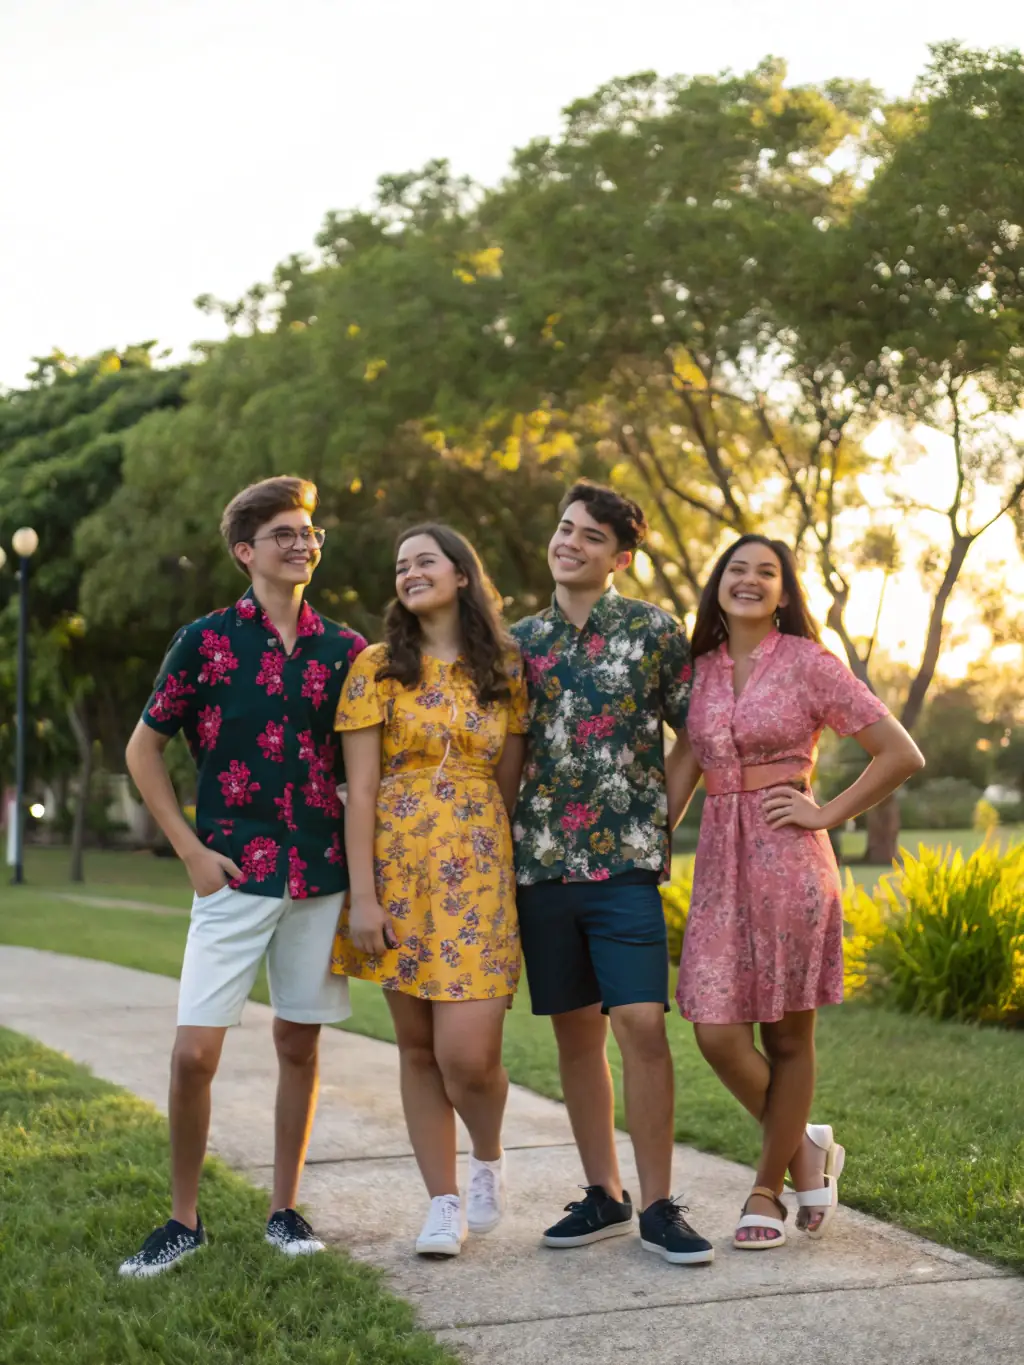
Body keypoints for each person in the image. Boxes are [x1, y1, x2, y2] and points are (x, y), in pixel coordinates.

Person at [119, 476, 367, 1278]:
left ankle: (284, 1208)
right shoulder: (206, 640)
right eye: (285, 533)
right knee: (194, 1054)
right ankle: (181, 1219)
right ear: (245, 550)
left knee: (298, 1041)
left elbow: (360, 769)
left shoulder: (347, 650)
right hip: (230, 874)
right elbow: (141, 748)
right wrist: (190, 850)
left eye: (310, 532)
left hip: (319, 875)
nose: (303, 544)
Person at [672, 534, 924, 1250]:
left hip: (790, 859)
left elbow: (900, 752)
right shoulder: (701, 672)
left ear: (784, 591)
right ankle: (808, 1148)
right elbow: (681, 775)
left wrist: (824, 811)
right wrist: (638, 846)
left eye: (766, 572)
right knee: (717, 1032)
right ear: (717, 583)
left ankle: (766, 1188)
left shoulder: (811, 662)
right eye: (736, 569)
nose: (748, 581)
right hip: (720, 867)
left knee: (787, 1034)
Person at [511, 480, 714, 1267]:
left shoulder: (654, 631)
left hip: (625, 865)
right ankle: (606, 1193)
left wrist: (657, 814)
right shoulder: (519, 641)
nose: (571, 542)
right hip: (542, 866)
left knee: (639, 1024)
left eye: (591, 536)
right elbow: (511, 751)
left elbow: (693, 732)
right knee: (576, 1034)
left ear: (619, 557)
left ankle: (660, 1204)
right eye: (565, 528)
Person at [331, 524, 527, 1257]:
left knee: (469, 1057)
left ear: (462, 574)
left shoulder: (504, 667)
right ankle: (443, 1201)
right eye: (400, 565)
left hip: (479, 875)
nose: (409, 572)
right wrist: (365, 896)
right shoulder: (376, 666)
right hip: (395, 874)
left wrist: (504, 875)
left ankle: (488, 1154)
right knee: (418, 1049)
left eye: (425, 561)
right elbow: (361, 789)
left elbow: (507, 788)